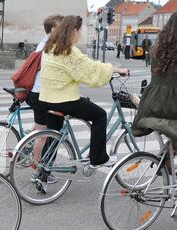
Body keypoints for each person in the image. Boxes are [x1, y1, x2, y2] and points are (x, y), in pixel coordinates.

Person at [39, 15, 128, 171]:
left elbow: (86, 66)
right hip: (64, 99)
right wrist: (116, 69)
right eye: (80, 30)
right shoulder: (69, 51)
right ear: (74, 31)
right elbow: (90, 69)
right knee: (100, 115)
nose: (80, 34)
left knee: (53, 137)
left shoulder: (50, 47)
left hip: (47, 99)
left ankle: (43, 173)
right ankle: (98, 159)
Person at [132, 12, 177, 175]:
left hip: (152, 103)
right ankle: (166, 160)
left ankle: (167, 162)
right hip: (171, 105)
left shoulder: (157, 49)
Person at [28, 14, 64, 184]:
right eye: (61, 26)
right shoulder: (52, 45)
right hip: (44, 95)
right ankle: (41, 172)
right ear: (54, 29)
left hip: (36, 93)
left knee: (39, 131)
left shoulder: (42, 42)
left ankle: (35, 166)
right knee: (46, 136)